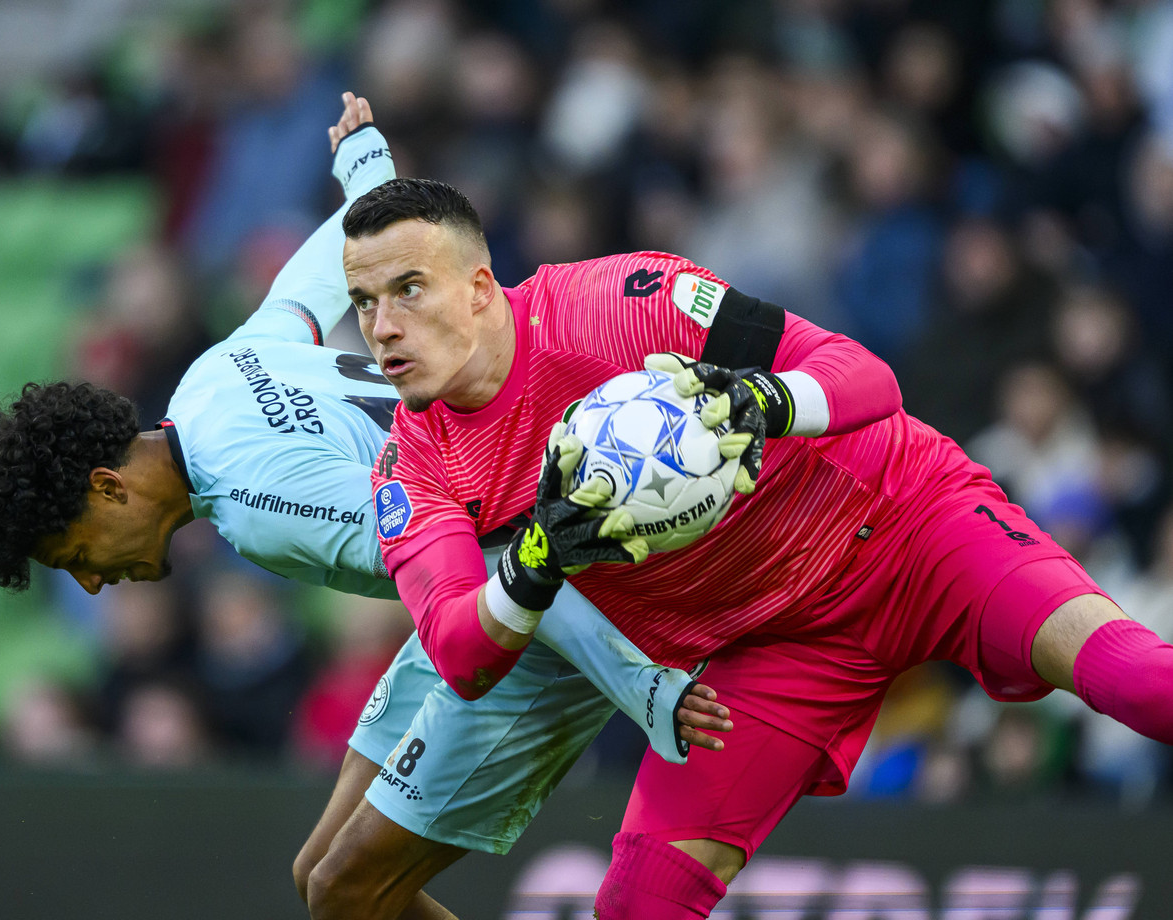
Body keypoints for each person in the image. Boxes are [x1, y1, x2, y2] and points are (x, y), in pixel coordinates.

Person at [0, 94, 727, 920]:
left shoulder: (254, 504)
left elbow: (499, 545)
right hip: (485, 578)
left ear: (107, 489)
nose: (97, 587)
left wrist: (644, 688)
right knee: (320, 876)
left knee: (345, 890)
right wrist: (364, 165)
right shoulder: (211, 381)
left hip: (548, 592)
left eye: (76, 558)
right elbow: (329, 267)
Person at [342, 176, 1173, 919]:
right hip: (769, 651)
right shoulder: (412, 470)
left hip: (912, 525)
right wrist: (532, 564)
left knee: (1140, 683)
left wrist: (763, 400)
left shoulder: (622, 298)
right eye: (365, 301)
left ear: (482, 287)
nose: (383, 328)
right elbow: (460, 651)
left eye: (408, 290)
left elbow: (865, 377)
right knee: (638, 907)